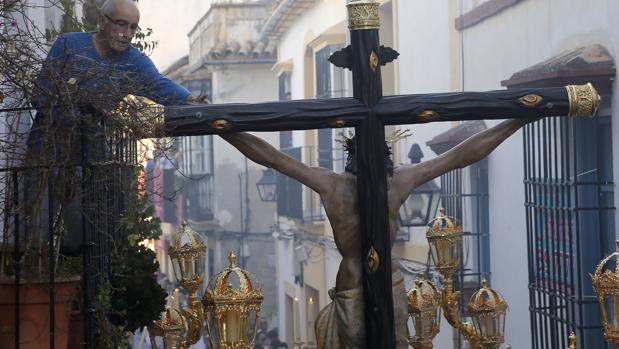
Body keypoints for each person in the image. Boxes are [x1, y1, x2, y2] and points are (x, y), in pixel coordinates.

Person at [220, 117, 536, 349]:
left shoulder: (331, 184)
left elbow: (273, 158)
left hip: (364, 280)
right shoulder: (396, 181)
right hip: (385, 279)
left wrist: (224, 128)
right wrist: (517, 120)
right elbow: (460, 155)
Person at [25, 0, 203, 254]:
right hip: (45, 151)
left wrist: (190, 99)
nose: (127, 34)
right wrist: (71, 117)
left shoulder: (132, 60)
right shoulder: (69, 45)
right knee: (35, 232)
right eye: (121, 24)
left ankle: (75, 277)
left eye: (133, 28)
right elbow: (41, 94)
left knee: (83, 238)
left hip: (87, 159)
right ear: (102, 21)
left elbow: (158, 84)